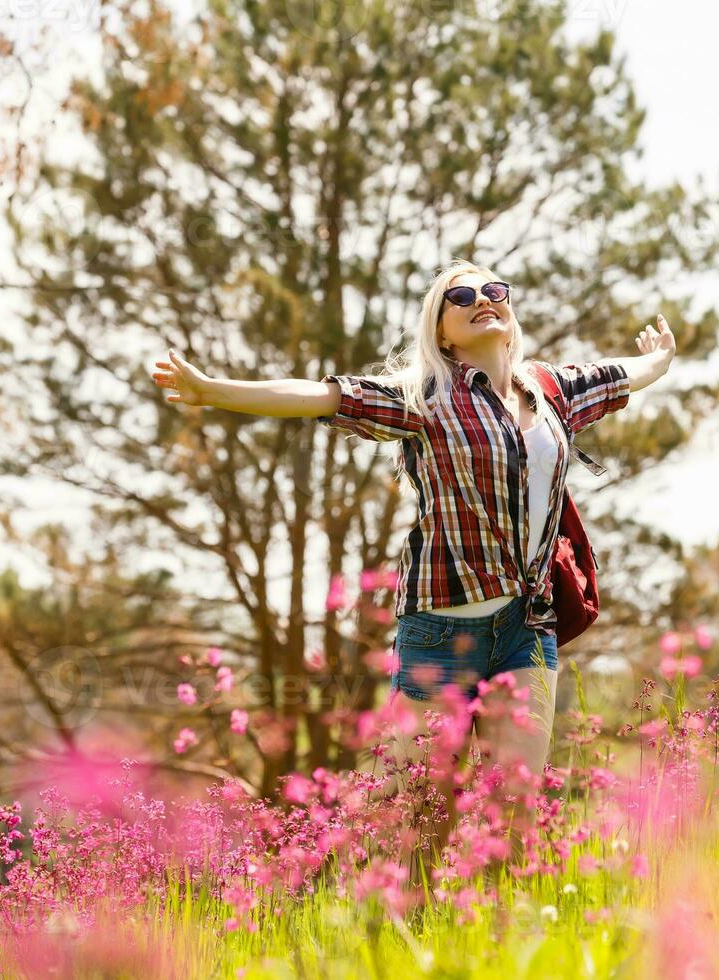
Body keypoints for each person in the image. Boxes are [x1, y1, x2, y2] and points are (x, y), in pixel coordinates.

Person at [147, 259, 675, 875]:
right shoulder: (424, 397)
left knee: (515, 816)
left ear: (509, 312)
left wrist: (659, 359)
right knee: (422, 820)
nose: (483, 299)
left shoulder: (550, 391)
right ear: (443, 330)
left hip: (529, 629)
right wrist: (214, 390)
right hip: (440, 631)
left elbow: (622, 376)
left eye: (494, 290)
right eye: (462, 296)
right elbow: (323, 395)